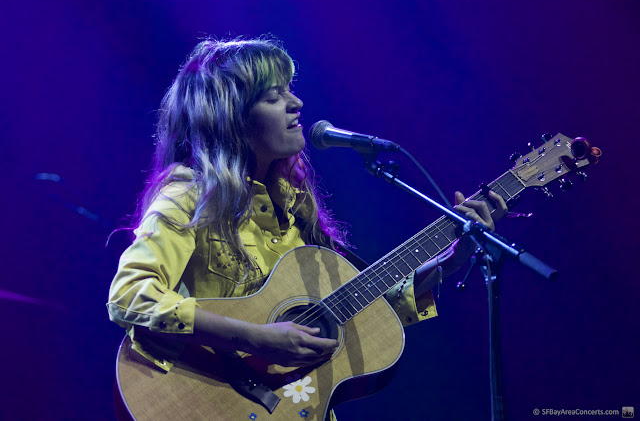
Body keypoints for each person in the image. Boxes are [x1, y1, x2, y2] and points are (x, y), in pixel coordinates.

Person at [107, 37, 507, 417]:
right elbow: (129, 296)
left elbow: (359, 307)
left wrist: (449, 262)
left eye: (289, 90)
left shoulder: (295, 206)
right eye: (273, 96)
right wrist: (255, 337)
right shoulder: (188, 197)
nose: (296, 103)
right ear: (232, 118)